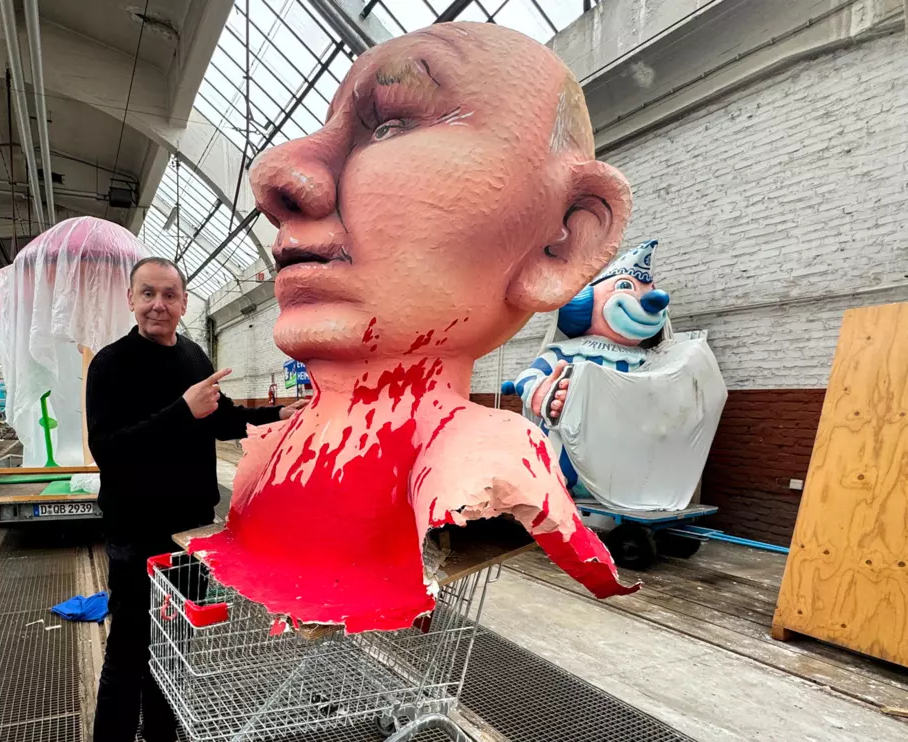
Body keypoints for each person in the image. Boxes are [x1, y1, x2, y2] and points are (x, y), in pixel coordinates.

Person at [187, 22, 640, 633]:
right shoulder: (273, 450)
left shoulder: (488, 453)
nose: (277, 176)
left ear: (560, 242)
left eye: (391, 122)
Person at [86, 256, 306, 742]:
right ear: (131, 300)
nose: (158, 305)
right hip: (136, 533)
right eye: (148, 294)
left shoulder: (193, 358)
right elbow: (109, 450)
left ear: (184, 302)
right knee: (129, 650)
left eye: (169, 295)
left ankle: (163, 733)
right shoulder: (110, 365)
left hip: (190, 531)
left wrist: (278, 415)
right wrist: (182, 411)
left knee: (172, 648)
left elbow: (221, 418)